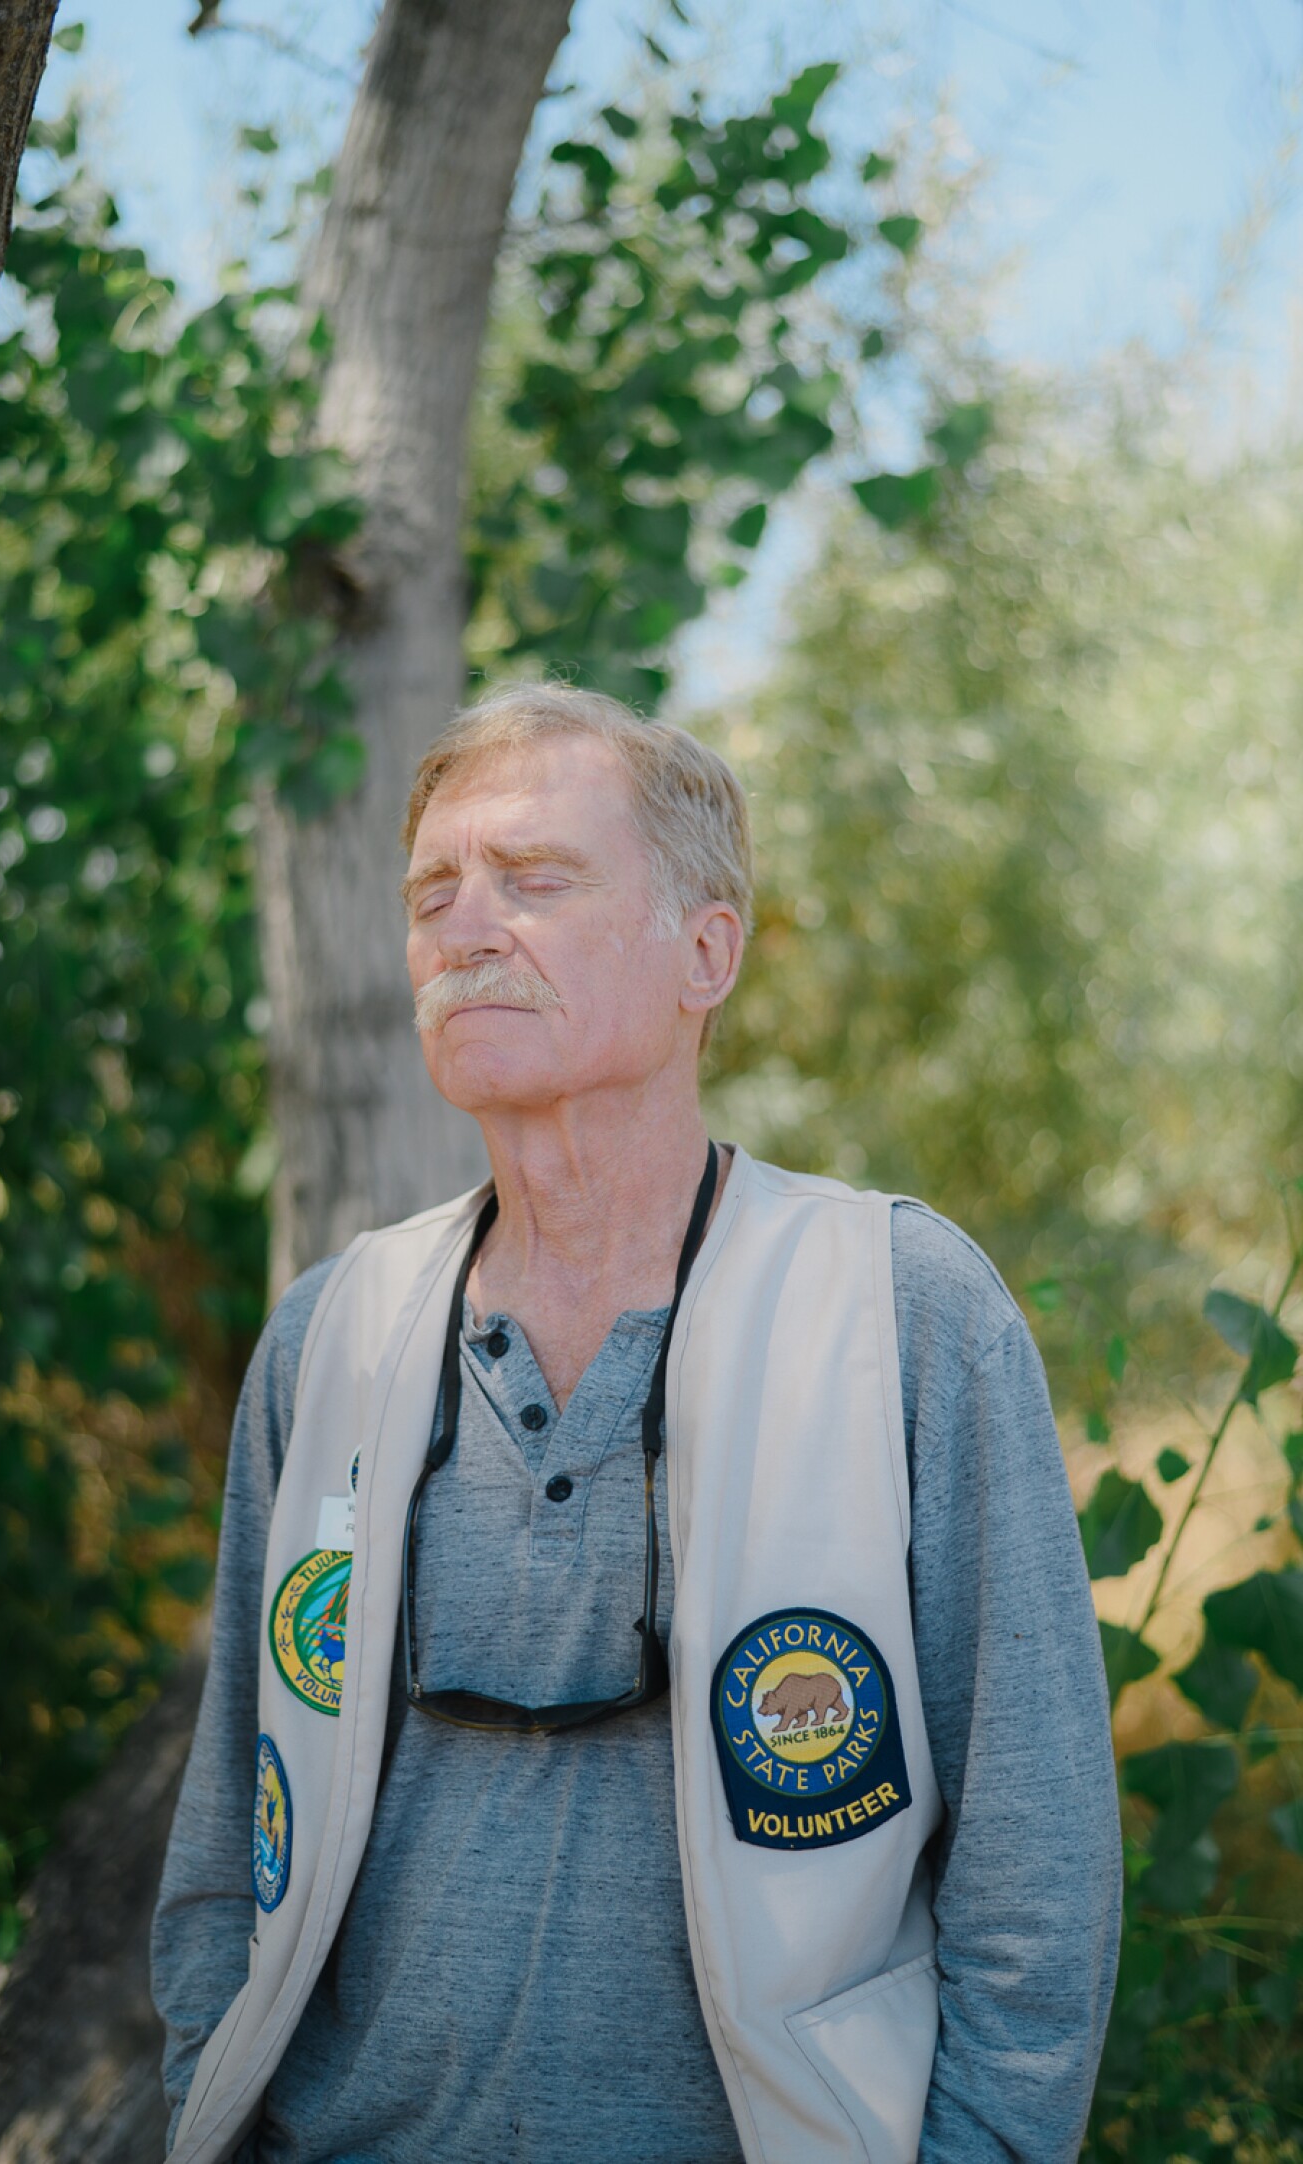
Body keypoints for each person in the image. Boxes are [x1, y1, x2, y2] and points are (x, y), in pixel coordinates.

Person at [152, 682, 1120, 2164]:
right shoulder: (332, 1334)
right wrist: (207, 2097)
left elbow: (1035, 1861)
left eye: (535, 881)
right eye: (434, 894)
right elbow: (227, 1824)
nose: (464, 930)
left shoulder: (900, 1309)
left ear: (705, 952)